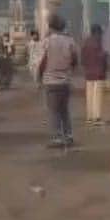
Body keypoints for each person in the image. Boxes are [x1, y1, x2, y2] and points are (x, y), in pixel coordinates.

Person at [37, 14, 79, 148]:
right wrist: (69, 70)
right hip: (65, 80)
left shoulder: (47, 42)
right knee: (64, 110)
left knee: (54, 111)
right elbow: (75, 59)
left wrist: (39, 76)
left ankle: (57, 137)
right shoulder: (70, 41)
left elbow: (42, 61)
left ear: (50, 26)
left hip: (50, 81)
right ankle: (68, 135)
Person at [81, 24, 108, 126]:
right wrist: (105, 54)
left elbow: (82, 59)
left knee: (89, 96)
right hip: (98, 73)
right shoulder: (98, 42)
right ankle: (97, 118)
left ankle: (89, 117)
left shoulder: (86, 42)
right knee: (97, 96)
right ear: (97, 33)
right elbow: (100, 57)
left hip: (88, 73)